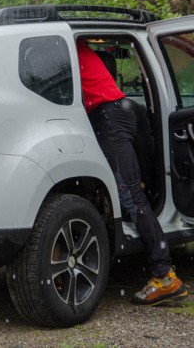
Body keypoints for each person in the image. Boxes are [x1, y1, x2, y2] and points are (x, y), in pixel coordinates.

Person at [77, 39, 188, 306]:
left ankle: (164, 277)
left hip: (108, 116)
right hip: (124, 109)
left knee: (130, 196)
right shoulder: (77, 44)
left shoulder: (57, 45)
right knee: (139, 188)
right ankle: (151, 226)